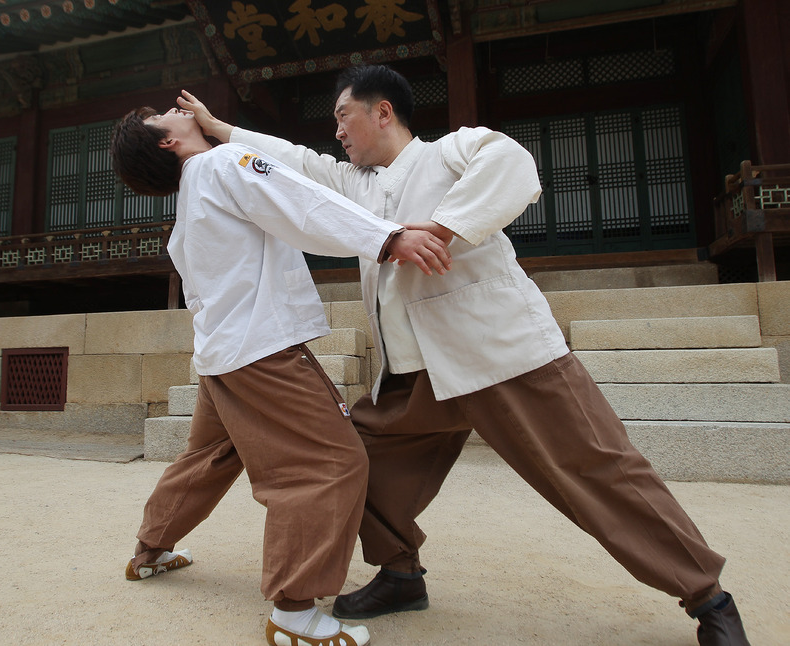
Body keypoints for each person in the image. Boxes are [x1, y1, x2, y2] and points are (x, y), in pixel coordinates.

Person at [180, 64, 751, 646]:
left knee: (597, 468)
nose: (338, 132)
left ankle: (708, 597)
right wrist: (218, 126)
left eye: (343, 116)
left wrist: (446, 227)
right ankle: (401, 573)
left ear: (383, 111)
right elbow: (294, 159)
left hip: (502, 354)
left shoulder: (453, 151)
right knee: (360, 468)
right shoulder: (353, 182)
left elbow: (514, 167)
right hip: (412, 375)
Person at [110, 101, 452, 646]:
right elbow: (304, 204)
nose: (176, 112)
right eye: (162, 118)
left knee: (209, 456)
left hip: (222, 354)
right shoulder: (226, 165)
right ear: (167, 143)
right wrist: (388, 239)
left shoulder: (193, 199)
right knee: (328, 464)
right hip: (262, 351)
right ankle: (294, 612)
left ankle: (150, 550)